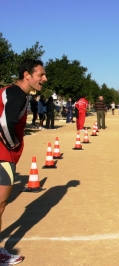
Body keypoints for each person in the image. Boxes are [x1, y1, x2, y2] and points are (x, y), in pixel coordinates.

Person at [0, 59, 47, 264]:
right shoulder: (18, 94)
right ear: (27, 75)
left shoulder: (9, 91)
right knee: (0, 203)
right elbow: (4, 123)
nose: (44, 79)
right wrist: (12, 145)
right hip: (3, 154)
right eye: (40, 75)